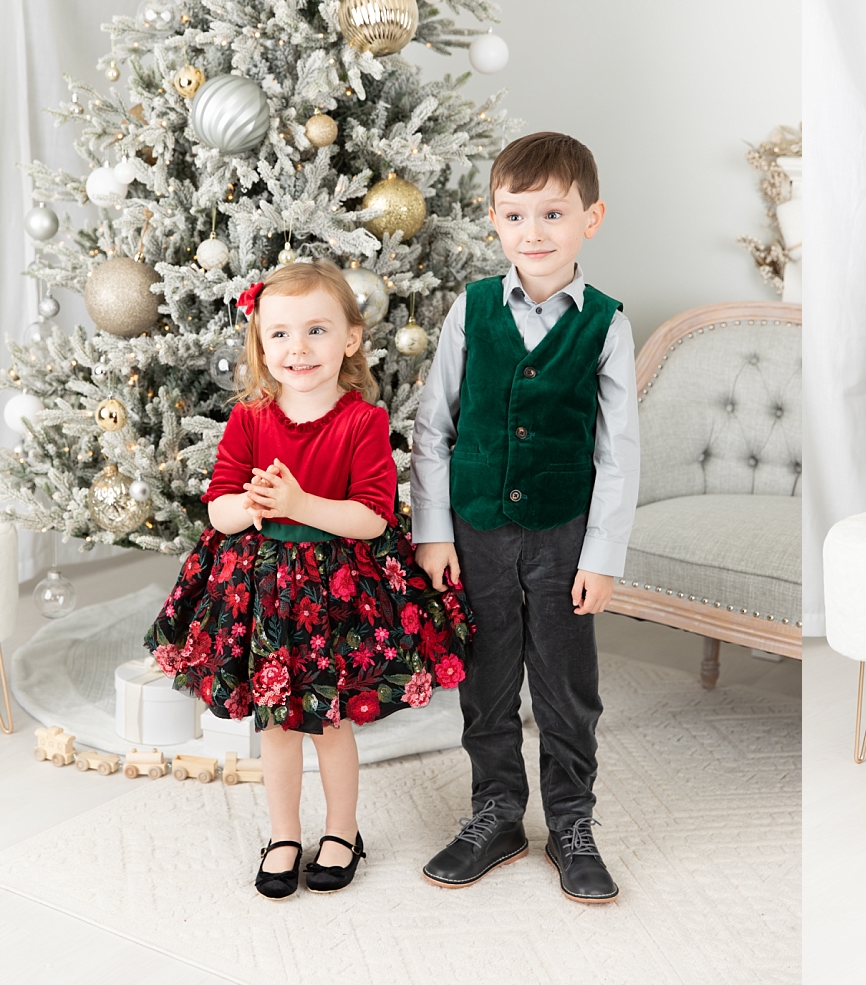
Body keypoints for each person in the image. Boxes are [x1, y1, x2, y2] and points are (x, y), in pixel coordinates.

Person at [145, 260, 473, 900]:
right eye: (280, 335)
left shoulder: (361, 421)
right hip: (263, 593)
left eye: (317, 330)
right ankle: (284, 833)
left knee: (330, 722)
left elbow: (373, 518)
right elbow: (218, 507)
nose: (298, 349)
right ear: (260, 345)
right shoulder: (250, 417)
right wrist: (254, 506)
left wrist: (298, 504)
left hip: (337, 593)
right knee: (276, 725)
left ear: (350, 337)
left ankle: (343, 831)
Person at [410, 131, 639, 903]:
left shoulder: (604, 323)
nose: (533, 232)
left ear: (591, 217)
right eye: (516, 215)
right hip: (474, 532)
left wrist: (601, 554)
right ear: (494, 221)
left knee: (566, 683)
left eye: (552, 213)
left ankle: (572, 819)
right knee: (487, 677)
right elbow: (432, 426)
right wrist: (433, 531)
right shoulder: (471, 310)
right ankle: (497, 812)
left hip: (563, 537)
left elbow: (619, 450)